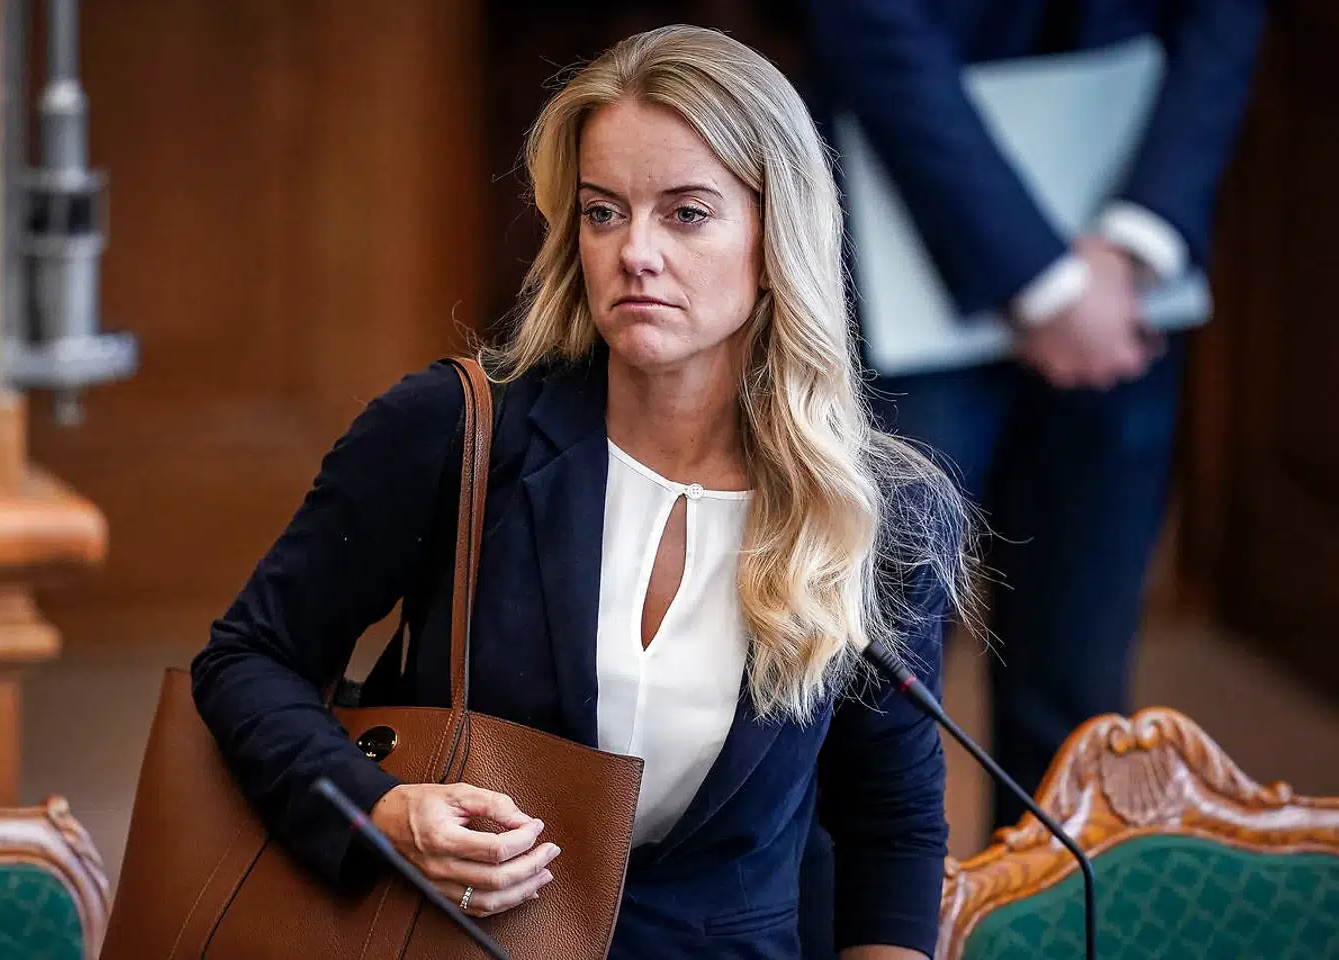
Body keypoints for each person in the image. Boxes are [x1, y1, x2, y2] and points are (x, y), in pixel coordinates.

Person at [192, 25, 972, 959]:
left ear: (777, 235)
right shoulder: (454, 432)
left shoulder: (874, 515)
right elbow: (246, 661)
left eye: (686, 213)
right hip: (443, 941)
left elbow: (890, 829)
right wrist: (385, 813)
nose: (634, 251)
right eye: (605, 211)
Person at [805, 0, 1267, 831]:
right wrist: (1040, 279)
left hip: (1132, 254)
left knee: (1079, 699)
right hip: (902, 220)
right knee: (869, 683)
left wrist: (1139, 238)